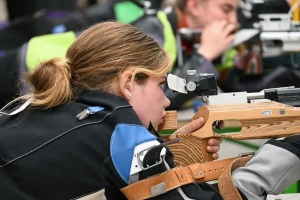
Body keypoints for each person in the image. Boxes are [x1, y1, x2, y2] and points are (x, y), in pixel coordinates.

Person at [0, 21, 299, 200]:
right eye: (160, 84)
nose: (167, 100)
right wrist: (287, 153)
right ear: (129, 81)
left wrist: (167, 153)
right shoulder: (122, 135)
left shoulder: (30, 107)